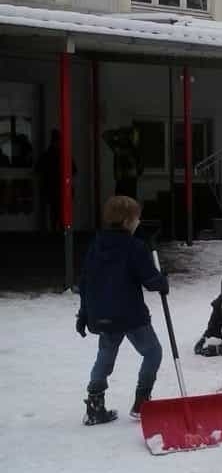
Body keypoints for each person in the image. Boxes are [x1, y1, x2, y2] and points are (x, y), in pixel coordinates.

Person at [76, 196, 168, 425]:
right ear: (128, 220)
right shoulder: (134, 247)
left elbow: (85, 281)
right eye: (137, 217)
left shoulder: (96, 245)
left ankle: (95, 405)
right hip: (130, 315)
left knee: (105, 359)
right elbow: (150, 280)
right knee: (152, 352)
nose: (139, 221)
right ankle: (142, 401)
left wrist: (84, 313)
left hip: (102, 315)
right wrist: (162, 281)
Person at [34, 129, 77, 231]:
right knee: (62, 213)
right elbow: (74, 170)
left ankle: (55, 232)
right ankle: (62, 232)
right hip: (62, 189)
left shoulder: (46, 155)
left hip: (51, 189)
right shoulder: (64, 155)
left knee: (54, 214)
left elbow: (38, 170)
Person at [104, 126, 143, 198]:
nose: (135, 138)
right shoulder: (119, 147)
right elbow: (105, 135)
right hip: (121, 181)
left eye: (135, 136)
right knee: (120, 201)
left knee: (129, 201)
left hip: (130, 182)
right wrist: (118, 132)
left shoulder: (135, 150)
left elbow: (140, 168)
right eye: (132, 135)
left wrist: (135, 171)